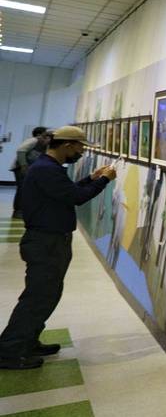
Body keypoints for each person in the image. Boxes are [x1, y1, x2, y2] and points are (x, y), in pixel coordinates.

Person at [0, 126, 115, 369]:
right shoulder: (46, 170)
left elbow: (68, 192)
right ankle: (9, 351)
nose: (81, 151)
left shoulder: (48, 168)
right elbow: (76, 197)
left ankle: (28, 341)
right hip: (46, 242)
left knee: (48, 295)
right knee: (37, 298)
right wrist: (104, 180)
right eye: (79, 147)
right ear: (66, 146)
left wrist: (91, 179)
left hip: (50, 240)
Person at [8, 127, 49, 218]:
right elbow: (20, 151)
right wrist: (23, 166)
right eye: (45, 135)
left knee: (27, 190)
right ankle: (18, 211)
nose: (47, 138)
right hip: (21, 168)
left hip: (29, 169)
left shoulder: (44, 145)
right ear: (38, 135)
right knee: (22, 189)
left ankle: (24, 210)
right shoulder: (33, 140)